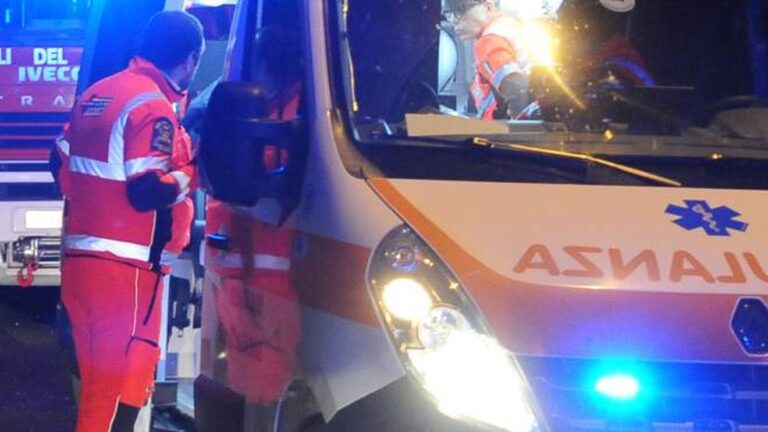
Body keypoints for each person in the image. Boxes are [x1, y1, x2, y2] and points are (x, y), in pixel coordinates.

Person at [50, 11, 204, 432]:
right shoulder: (152, 107)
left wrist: (93, 207)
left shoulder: (98, 94)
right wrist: (192, 173)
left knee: (100, 393)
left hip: (83, 266)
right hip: (126, 274)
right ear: (190, 60)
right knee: (117, 398)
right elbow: (146, 191)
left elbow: (57, 161)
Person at [445, 0, 531, 120]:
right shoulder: (507, 28)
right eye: (449, 14)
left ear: (488, 7)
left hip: (501, 128)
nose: (454, 20)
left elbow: (516, 87)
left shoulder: (489, 42)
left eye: (461, 11)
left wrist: (521, 129)